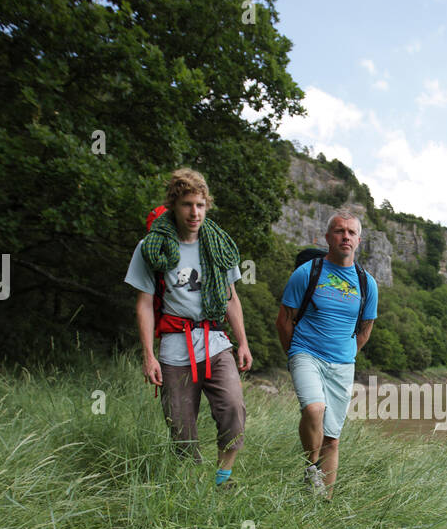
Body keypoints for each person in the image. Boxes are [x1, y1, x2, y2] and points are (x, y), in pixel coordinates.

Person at [126, 168, 253, 486]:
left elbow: (231, 298)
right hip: (174, 345)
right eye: (187, 204)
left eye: (200, 204)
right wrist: (148, 355)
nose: (194, 212)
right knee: (180, 424)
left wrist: (244, 343)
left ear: (206, 205)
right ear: (173, 205)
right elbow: (144, 303)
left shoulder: (219, 244)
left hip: (215, 340)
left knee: (233, 408)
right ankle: (191, 482)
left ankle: (223, 478)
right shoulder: (150, 247)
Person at [276, 209, 378, 499]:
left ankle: (323, 502)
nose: (345, 236)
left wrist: (347, 353)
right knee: (313, 409)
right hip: (306, 353)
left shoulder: (367, 283)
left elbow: (366, 328)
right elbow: (283, 320)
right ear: (328, 237)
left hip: (343, 364)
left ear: (359, 240)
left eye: (351, 232)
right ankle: (310, 469)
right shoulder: (307, 273)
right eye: (339, 230)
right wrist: (295, 355)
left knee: (332, 439)